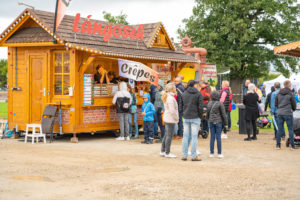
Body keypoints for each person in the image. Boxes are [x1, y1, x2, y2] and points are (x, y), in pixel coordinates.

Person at [180, 80, 203, 161]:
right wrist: (199, 116)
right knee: (194, 137)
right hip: (195, 117)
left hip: (186, 117)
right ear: (194, 85)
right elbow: (200, 106)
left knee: (185, 137)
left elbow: (181, 106)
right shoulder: (198, 94)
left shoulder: (184, 94)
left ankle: (184, 155)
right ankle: (193, 156)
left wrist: (183, 114)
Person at [275, 80, 297, 150]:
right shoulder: (290, 93)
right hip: (288, 113)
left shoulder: (279, 93)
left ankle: (278, 145)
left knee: (279, 129)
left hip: (280, 112)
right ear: (289, 86)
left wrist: (280, 108)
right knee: (290, 129)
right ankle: (292, 146)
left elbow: (276, 103)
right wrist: (293, 109)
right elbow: (294, 104)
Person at [160, 83, 179, 158]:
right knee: (169, 136)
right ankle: (167, 152)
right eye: (174, 88)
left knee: (166, 135)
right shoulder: (170, 98)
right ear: (172, 89)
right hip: (170, 118)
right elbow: (172, 110)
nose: (175, 89)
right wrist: (176, 118)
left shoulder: (168, 96)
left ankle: (163, 150)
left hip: (168, 117)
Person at [207, 91, 228, 158]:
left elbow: (208, 112)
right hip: (218, 121)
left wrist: (209, 118)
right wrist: (225, 124)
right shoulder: (220, 104)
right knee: (218, 137)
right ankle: (219, 153)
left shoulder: (209, 103)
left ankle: (211, 153)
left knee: (212, 137)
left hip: (211, 121)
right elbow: (223, 114)